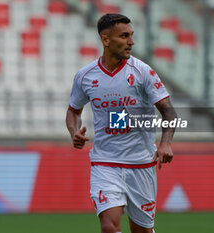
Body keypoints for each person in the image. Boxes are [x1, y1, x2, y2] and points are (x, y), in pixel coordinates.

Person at [66, 13, 176, 233]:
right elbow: (73, 110)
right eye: (124, 36)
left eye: (131, 35)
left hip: (141, 164)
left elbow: (169, 112)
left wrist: (165, 143)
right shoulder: (85, 76)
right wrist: (74, 131)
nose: (131, 42)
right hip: (105, 163)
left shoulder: (143, 72)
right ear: (106, 40)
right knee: (109, 226)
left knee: (141, 231)